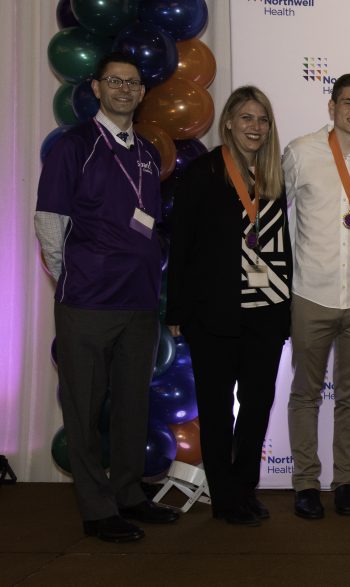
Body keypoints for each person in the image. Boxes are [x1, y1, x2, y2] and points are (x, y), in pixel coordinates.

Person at [35, 52, 179, 542]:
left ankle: (129, 493)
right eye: (114, 81)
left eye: (133, 83)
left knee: (132, 405)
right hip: (89, 302)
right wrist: (72, 278)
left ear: (143, 93)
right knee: (85, 407)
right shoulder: (74, 145)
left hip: (139, 302)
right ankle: (97, 509)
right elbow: (49, 222)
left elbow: (146, 221)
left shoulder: (147, 152)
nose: (124, 89)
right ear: (96, 88)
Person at [166, 86, 292, 527]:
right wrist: (177, 310)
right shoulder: (202, 172)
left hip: (267, 312)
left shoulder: (273, 175)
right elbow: (181, 243)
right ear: (229, 123)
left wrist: (285, 309)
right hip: (212, 313)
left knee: (256, 407)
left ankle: (244, 488)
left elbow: (280, 247)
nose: (255, 127)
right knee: (217, 410)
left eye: (263, 120)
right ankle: (224, 497)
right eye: (247, 118)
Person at [284, 73, 350, 519]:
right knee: (305, 394)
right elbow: (271, 213)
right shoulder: (300, 152)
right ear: (332, 107)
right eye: (348, 102)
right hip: (311, 293)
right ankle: (305, 483)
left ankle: (345, 481)